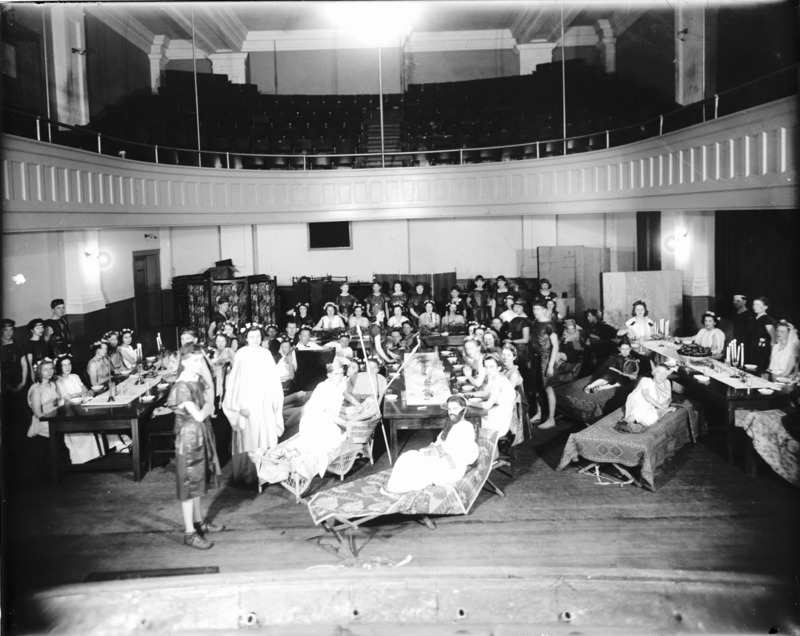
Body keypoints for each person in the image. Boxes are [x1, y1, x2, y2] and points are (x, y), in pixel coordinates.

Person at [167, 343, 224, 550]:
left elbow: (206, 402)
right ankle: (189, 533)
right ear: (183, 362)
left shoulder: (194, 380)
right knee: (189, 486)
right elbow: (199, 415)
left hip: (199, 434)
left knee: (198, 482)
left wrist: (208, 405)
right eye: (195, 360)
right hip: (189, 439)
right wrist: (209, 405)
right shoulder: (182, 387)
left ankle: (199, 522)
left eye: (201, 360)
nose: (199, 364)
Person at [222, 324, 284, 484]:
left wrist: (275, 399)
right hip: (248, 400)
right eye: (252, 337)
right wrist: (241, 404)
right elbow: (236, 381)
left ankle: (266, 472)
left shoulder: (266, 353)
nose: (255, 340)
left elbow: (273, 378)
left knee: (265, 431)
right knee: (251, 434)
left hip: (264, 399)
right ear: (246, 338)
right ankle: (249, 474)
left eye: (258, 336)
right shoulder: (242, 354)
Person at [383, 395, 479, 494]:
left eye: (455, 409)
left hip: (452, 467)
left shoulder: (465, 427)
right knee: (410, 455)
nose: (451, 412)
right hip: (441, 458)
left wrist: (435, 453)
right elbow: (438, 443)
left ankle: (399, 488)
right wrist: (427, 450)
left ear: (464, 410)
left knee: (415, 461)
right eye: (449, 409)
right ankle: (396, 487)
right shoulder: (451, 424)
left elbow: (463, 456)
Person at [296, 362, 349, 478]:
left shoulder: (341, 384)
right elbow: (328, 413)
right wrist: (346, 423)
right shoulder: (324, 388)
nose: (340, 376)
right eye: (336, 374)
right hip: (315, 419)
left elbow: (346, 395)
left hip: (327, 418)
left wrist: (359, 405)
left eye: (341, 373)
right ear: (329, 375)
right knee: (334, 436)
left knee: (337, 433)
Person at [54, 354, 104, 464]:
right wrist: (81, 393)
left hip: (81, 405)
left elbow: (86, 389)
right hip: (68, 409)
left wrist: (79, 394)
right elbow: (68, 398)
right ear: (59, 367)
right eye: (64, 365)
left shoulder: (75, 376)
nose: (67, 367)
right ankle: (83, 458)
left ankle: (95, 454)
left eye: (69, 364)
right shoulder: (58, 380)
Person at [615, 363, 675, 432]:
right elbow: (646, 396)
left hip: (647, 407)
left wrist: (666, 410)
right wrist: (664, 409)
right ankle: (626, 421)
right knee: (645, 403)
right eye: (658, 372)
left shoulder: (662, 386)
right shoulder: (646, 380)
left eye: (664, 374)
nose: (661, 376)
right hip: (637, 401)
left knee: (654, 415)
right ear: (653, 373)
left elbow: (662, 402)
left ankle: (638, 425)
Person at [529, 300, 560, 430]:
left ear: (544, 310)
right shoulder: (535, 323)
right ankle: (539, 413)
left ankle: (551, 419)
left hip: (546, 359)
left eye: (538, 309)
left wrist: (550, 365)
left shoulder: (549, 325)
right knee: (537, 387)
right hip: (536, 358)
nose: (535, 311)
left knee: (548, 388)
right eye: (533, 309)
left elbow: (555, 346)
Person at [474, 354, 516, 436]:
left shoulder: (499, 381)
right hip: (497, 414)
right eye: (486, 367)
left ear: (499, 367)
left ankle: (483, 442)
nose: (488, 370)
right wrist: (469, 395)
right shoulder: (498, 377)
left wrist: (468, 403)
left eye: (491, 367)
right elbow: (486, 393)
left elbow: (487, 405)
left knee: (472, 423)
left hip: (498, 423)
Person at [1, 319, 28, 445]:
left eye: (11, 329)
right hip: (5, 386)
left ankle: (23, 441)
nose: (9, 332)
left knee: (22, 413)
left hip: (19, 382)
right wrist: (8, 387)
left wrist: (23, 382)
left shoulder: (18, 344)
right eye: (5, 329)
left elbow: (24, 364)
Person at [27, 357, 60, 439]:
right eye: (45, 370)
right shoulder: (37, 389)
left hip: (53, 418)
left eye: (51, 368)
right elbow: (38, 414)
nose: (49, 372)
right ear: (39, 372)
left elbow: (55, 404)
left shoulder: (52, 385)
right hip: (43, 422)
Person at [750, 296, 777, 372]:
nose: (755, 306)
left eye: (758, 304)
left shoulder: (768, 320)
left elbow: (773, 338)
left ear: (765, 307)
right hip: (753, 349)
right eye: (754, 304)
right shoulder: (752, 319)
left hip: (763, 351)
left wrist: (772, 355)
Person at [505, 299, 531, 365]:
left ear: (524, 308)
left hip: (523, 350)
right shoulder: (515, 319)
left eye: (519, 307)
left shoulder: (526, 321)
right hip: (514, 348)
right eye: (515, 306)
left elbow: (526, 340)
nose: (516, 309)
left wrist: (512, 341)